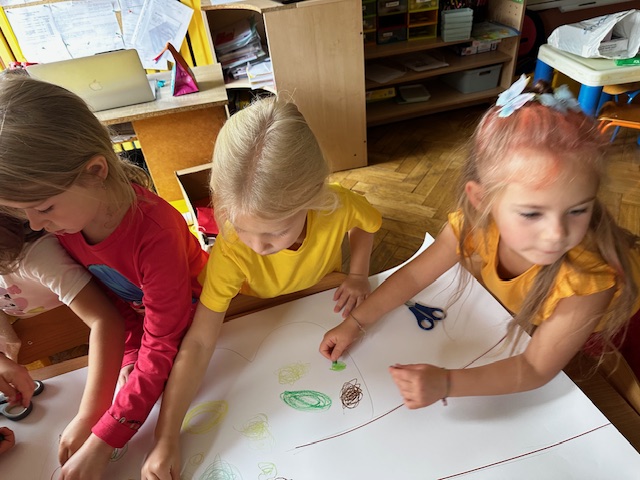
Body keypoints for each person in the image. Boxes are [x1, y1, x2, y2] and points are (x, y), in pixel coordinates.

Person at [320, 76, 640, 410]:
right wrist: (355, 322)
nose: (556, 234)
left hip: (618, 327)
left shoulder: (589, 279)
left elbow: (534, 368)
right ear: (481, 200)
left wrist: (447, 383)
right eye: (532, 214)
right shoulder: (474, 226)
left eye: (578, 210)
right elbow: (414, 276)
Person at [142, 96, 382, 479]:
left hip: (319, 294)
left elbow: (367, 226)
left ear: (313, 198)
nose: (257, 245)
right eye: (241, 227)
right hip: (257, 310)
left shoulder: (336, 204)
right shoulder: (230, 251)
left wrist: (357, 274)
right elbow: (200, 341)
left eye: (274, 233)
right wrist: (166, 435)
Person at [0, 72, 209, 480]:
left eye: (43, 208)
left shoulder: (157, 231)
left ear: (96, 171)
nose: (35, 226)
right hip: (154, 330)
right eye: (23, 212)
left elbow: (165, 340)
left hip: (201, 321)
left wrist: (105, 436)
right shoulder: (71, 223)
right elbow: (117, 303)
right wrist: (131, 356)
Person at [0, 213, 125, 437]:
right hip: (39, 340)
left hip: (94, 334)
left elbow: (105, 320)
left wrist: (90, 416)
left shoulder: (36, 255)